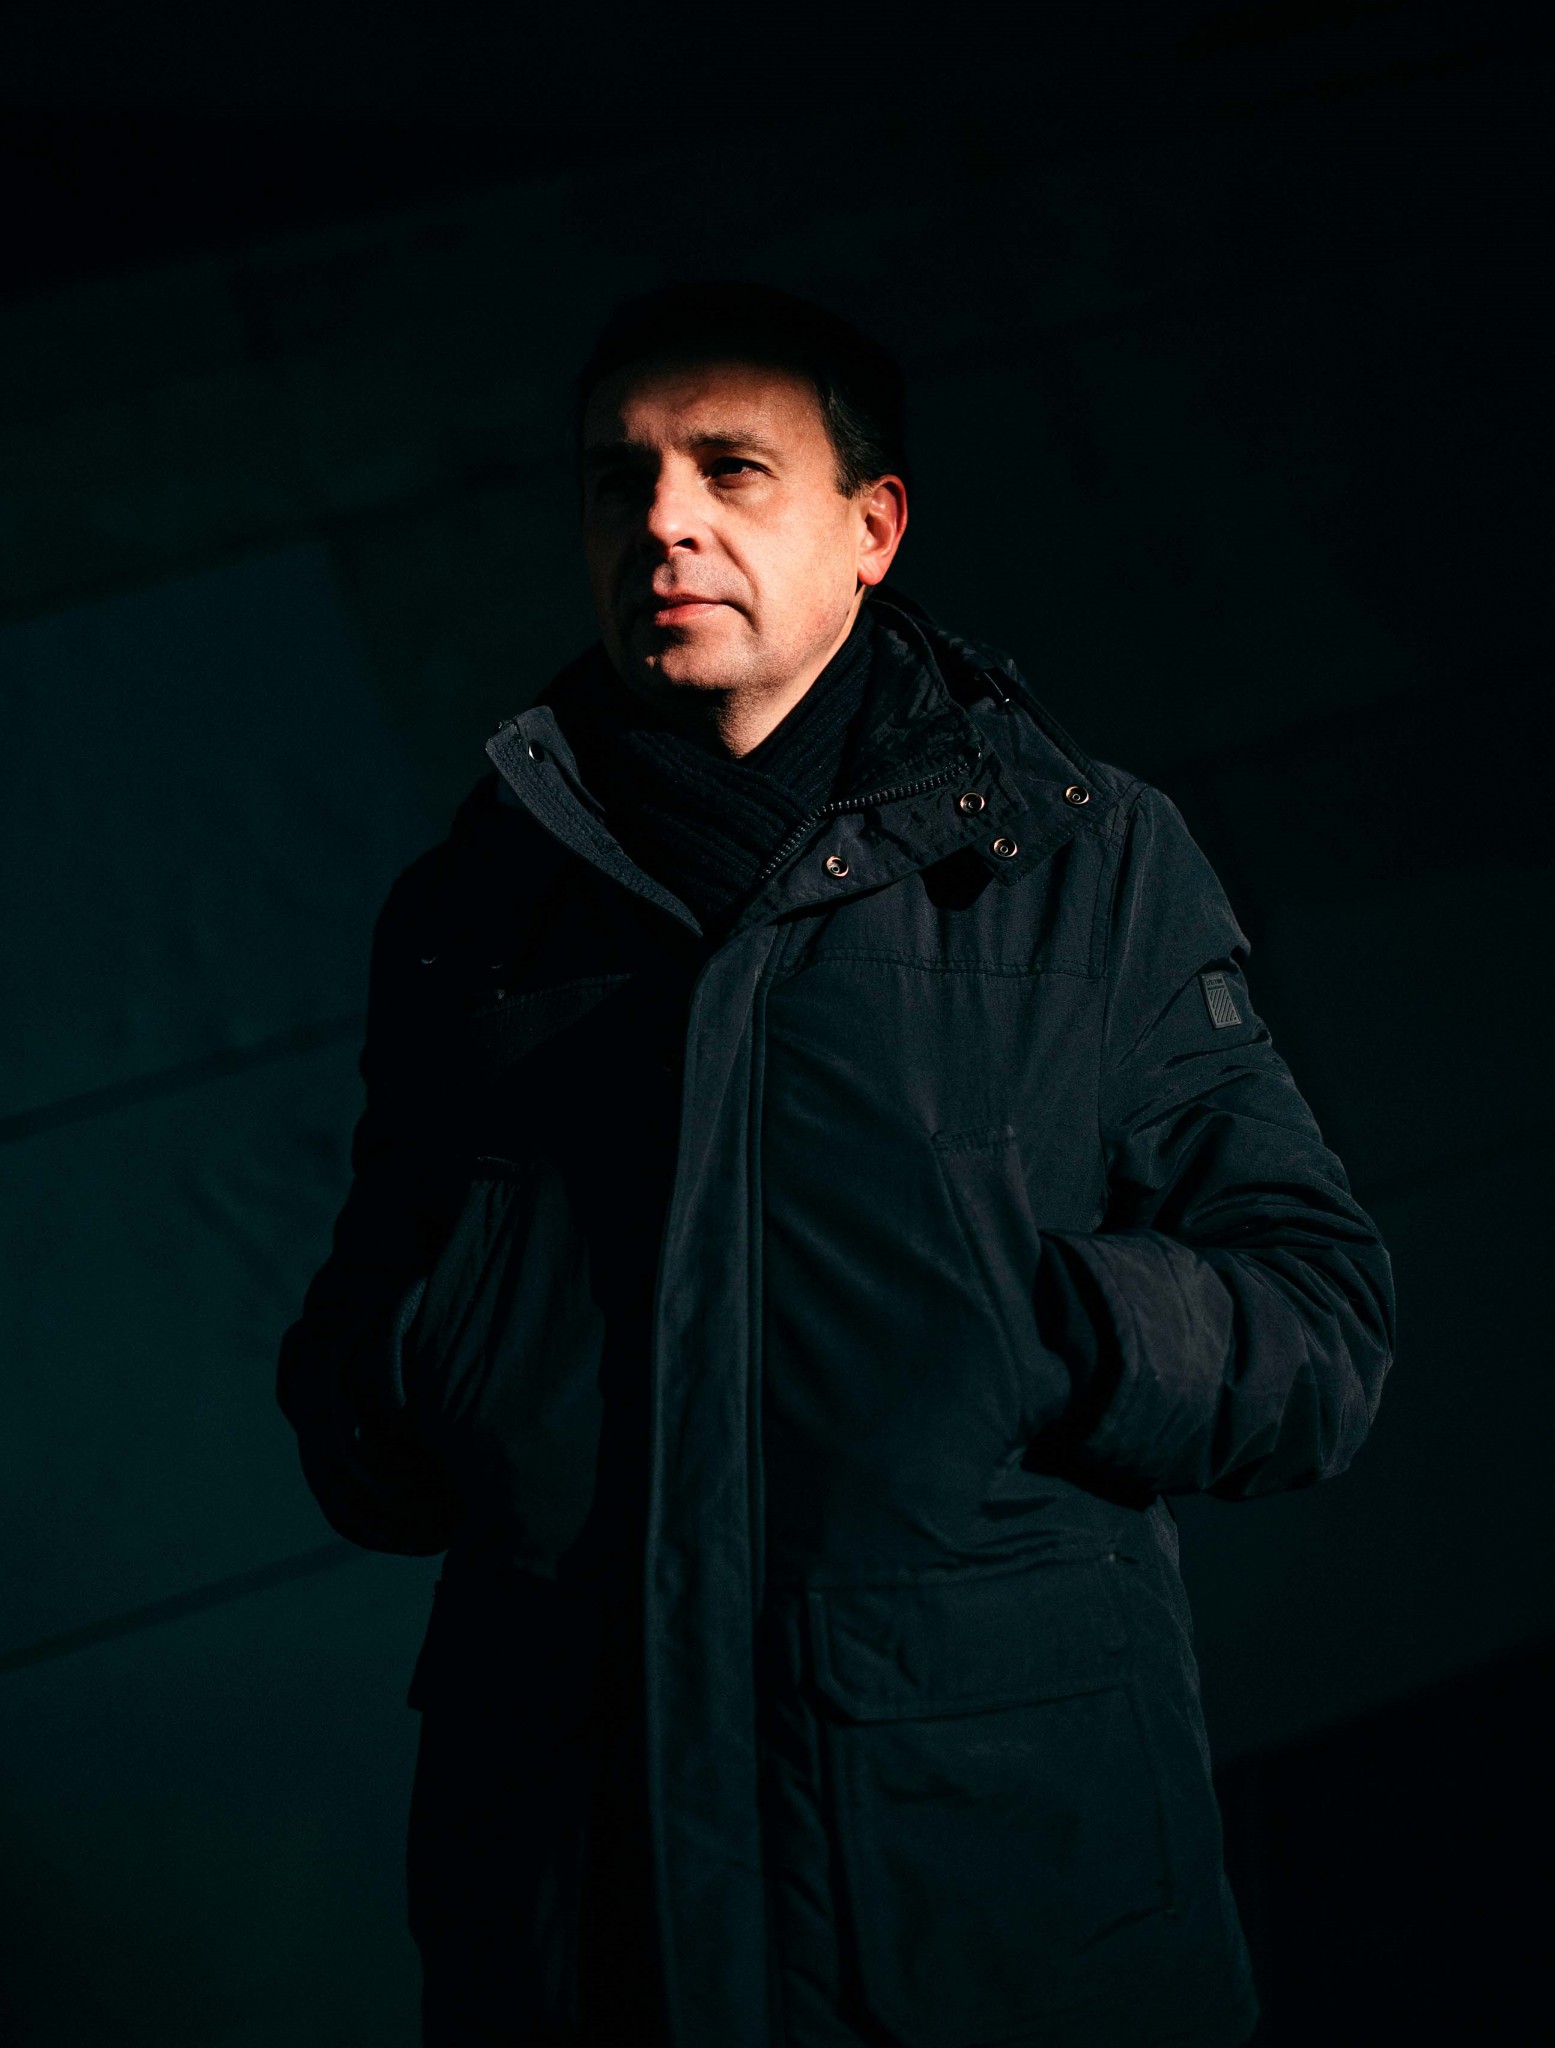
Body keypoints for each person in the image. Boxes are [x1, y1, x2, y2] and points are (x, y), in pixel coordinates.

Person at [278, 281, 1394, 2048]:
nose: (664, 522)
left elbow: (1320, 1328)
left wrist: (1042, 1325)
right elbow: (359, 1367)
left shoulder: (1083, 868)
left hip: (992, 1905)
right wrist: (446, 1373)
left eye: (731, 469)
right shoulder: (471, 914)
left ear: (872, 529)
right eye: (620, 480)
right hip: (580, 1913)